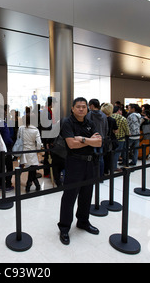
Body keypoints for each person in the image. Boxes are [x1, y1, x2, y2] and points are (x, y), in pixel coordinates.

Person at [58, 97, 102, 245]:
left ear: (87, 108)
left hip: (90, 164)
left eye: (84, 106)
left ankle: (83, 221)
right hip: (74, 163)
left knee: (86, 195)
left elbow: (99, 142)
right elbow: (71, 144)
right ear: (72, 108)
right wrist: (90, 141)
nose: (81, 109)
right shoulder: (67, 123)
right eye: (78, 107)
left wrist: (82, 139)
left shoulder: (90, 123)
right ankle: (64, 228)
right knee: (69, 197)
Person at [18, 111, 43, 192]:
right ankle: (32, 184)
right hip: (32, 151)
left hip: (23, 152)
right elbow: (39, 143)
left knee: (31, 169)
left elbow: (18, 139)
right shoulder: (35, 130)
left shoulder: (21, 128)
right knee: (33, 168)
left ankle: (31, 184)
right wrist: (37, 148)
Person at [86, 99, 108, 176]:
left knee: (92, 158)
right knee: (101, 158)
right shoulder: (104, 115)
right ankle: (100, 175)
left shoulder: (89, 114)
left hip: (92, 139)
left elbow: (87, 127)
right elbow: (106, 128)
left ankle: (93, 175)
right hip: (101, 139)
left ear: (92, 105)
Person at [111, 106, 129, 171]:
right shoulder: (122, 118)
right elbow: (126, 129)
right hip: (121, 138)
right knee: (117, 153)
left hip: (112, 138)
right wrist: (128, 134)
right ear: (118, 111)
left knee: (112, 153)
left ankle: (111, 166)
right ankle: (114, 167)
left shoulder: (110, 117)